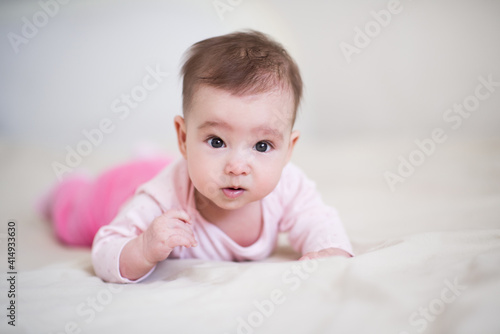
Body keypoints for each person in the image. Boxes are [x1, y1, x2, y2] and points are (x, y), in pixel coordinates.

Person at [40, 30, 353, 283]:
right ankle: (68, 188)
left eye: (261, 146)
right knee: (74, 220)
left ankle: (150, 156)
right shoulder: (163, 197)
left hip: (173, 166)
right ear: (183, 137)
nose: (236, 166)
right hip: (118, 191)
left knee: (157, 165)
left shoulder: (289, 187)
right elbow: (105, 250)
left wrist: (330, 251)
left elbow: (317, 220)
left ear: (288, 149)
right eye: (217, 141)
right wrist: (143, 247)